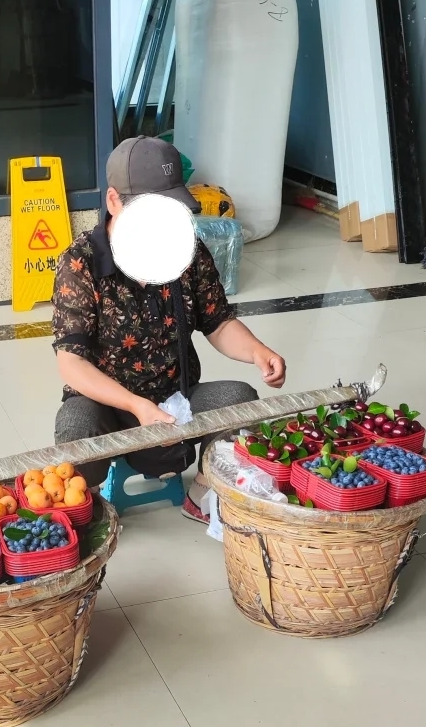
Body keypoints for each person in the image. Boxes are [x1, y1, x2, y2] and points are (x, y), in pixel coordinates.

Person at [53, 137, 286, 522]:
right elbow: (71, 364)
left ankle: (203, 494)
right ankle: (86, 507)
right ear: (113, 201)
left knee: (241, 400)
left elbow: (218, 322)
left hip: (175, 399)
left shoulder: (186, 250)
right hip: (108, 405)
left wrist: (257, 351)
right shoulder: (82, 262)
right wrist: (135, 405)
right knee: (75, 425)